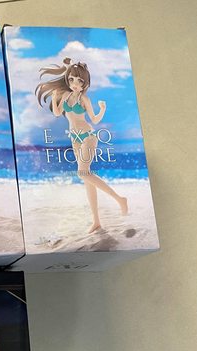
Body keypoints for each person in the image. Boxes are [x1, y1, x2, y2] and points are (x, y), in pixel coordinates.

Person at [36, 58, 128, 233]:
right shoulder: (65, 96)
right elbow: (57, 113)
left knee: (82, 172)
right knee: (87, 179)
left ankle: (119, 199)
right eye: (72, 79)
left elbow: (94, 120)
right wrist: (54, 98)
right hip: (75, 138)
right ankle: (96, 221)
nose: (75, 84)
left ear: (85, 83)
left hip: (88, 137)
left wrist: (102, 109)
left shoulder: (84, 99)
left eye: (79, 81)